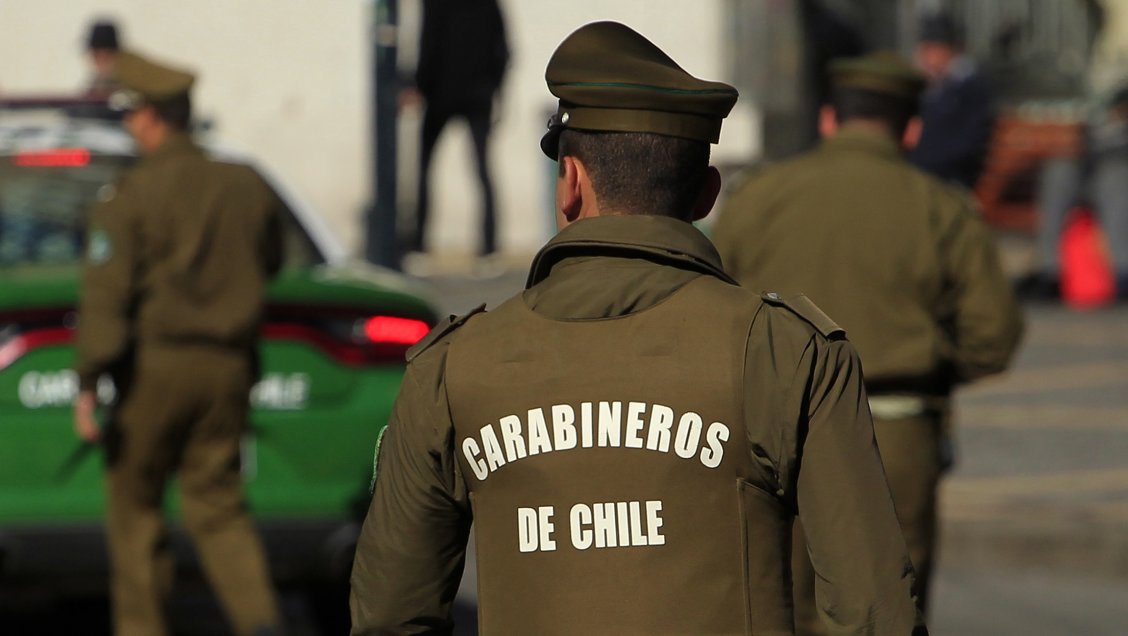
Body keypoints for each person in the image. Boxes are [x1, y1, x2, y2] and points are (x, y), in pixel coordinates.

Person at [351, 22, 925, 635]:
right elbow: (873, 614)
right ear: (706, 194)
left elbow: (389, 615)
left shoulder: (452, 367)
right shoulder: (784, 352)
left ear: (570, 182)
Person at [714, 51, 1023, 634]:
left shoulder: (759, 196)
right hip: (895, 432)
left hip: (772, 429)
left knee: (776, 603)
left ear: (828, 119)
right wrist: (929, 361)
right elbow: (993, 336)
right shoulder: (940, 208)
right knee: (884, 610)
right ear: (912, 128)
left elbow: (713, 302)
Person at [72, 50, 284, 636]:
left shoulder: (132, 195)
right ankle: (263, 624)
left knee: (137, 513)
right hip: (228, 368)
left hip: (153, 372)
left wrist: (88, 380)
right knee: (220, 509)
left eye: (132, 114)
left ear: (151, 117)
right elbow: (273, 258)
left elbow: (106, 298)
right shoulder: (244, 183)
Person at [408, 0, 509, 257]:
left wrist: (419, 85)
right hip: (477, 95)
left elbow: (428, 43)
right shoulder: (487, 4)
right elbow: (503, 50)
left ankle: (420, 242)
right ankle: (489, 244)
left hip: (441, 94)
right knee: (482, 169)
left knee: (424, 167)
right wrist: (494, 90)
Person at [1017, 84, 1128, 302]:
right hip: (1093, 177)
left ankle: (1122, 272)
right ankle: (1052, 271)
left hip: (1117, 182)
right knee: (1060, 172)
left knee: (1115, 176)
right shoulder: (1104, 128)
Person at [909, 13, 995, 190]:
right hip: (924, 173)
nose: (924, 57)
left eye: (931, 49)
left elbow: (966, 146)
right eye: (923, 49)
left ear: (949, 50)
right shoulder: (926, 87)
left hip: (951, 178)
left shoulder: (970, 88)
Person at [85, 19, 121, 97]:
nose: (101, 60)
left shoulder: (124, 83)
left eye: (106, 56)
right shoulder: (95, 83)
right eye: (96, 55)